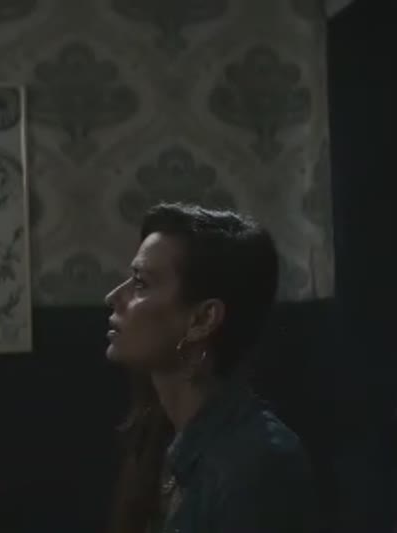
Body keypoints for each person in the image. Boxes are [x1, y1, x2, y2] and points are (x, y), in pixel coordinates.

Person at [103, 203, 314, 533]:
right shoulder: (157, 435)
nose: (113, 297)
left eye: (141, 283)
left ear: (202, 319)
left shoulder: (260, 463)